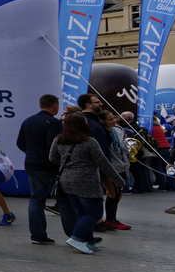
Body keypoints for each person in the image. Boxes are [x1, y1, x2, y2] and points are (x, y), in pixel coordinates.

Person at [50, 113, 123, 254]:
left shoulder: (59, 139)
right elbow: (104, 164)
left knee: (83, 212)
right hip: (86, 181)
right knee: (95, 214)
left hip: (66, 180)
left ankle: (89, 242)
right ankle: (76, 239)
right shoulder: (89, 142)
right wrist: (119, 180)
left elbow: (52, 158)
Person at [16, 94, 70, 244]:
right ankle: (74, 235)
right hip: (49, 166)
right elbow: (54, 146)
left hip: (31, 164)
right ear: (55, 105)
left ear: (40, 105)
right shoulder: (54, 123)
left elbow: (20, 143)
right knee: (64, 199)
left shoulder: (28, 121)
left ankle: (38, 234)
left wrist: (31, 153)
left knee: (36, 199)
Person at [101, 110, 132, 230]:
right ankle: (110, 219)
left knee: (118, 193)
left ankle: (112, 218)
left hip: (121, 164)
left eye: (113, 118)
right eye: (110, 119)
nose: (114, 121)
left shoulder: (117, 130)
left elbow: (121, 146)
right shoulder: (102, 133)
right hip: (111, 166)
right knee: (113, 193)